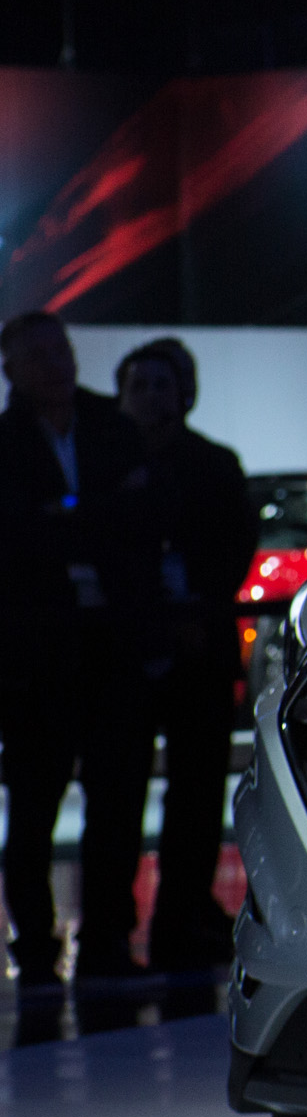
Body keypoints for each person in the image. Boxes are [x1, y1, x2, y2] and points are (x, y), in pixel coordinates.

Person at [0, 311, 144, 985]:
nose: (55, 364)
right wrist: (81, 520)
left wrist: (66, 521)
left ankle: (109, 940)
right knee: (33, 802)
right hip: (37, 653)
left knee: (116, 798)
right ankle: (33, 945)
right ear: (12, 370)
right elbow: (20, 539)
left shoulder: (113, 426)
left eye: (60, 350)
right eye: (37, 356)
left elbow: (137, 520)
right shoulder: (7, 444)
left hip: (111, 642)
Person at [113, 338, 255, 972]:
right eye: (139, 386)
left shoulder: (216, 465)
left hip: (199, 650)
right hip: (125, 654)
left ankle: (183, 917)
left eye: (161, 386)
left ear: (185, 393)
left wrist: (196, 609)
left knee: (197, 796)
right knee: (116, 793)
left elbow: (234, 550)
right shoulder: (106, 466)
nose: (151, 398)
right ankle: (112, 931)